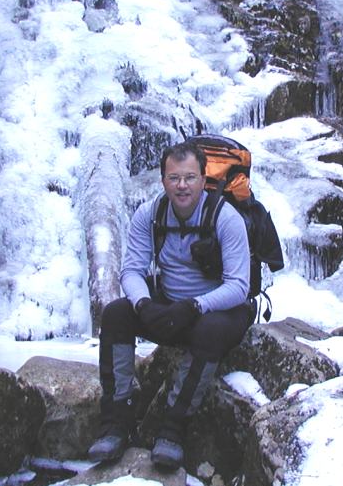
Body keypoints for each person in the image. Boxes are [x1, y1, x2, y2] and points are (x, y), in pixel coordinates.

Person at [87, 140, 252, 470]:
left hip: (215, 311)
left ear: (204, 180)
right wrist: (144, 304)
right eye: (174, 178)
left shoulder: (226, 218)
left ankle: (172, 429)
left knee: (210, 329)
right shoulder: (149, 215)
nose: (182, 186)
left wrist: (194, 306)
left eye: (190, 177)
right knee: (117, 313)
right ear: (162, 180)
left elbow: (239, 285)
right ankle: (116, 422)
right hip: (170, 307)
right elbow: (132, 270)